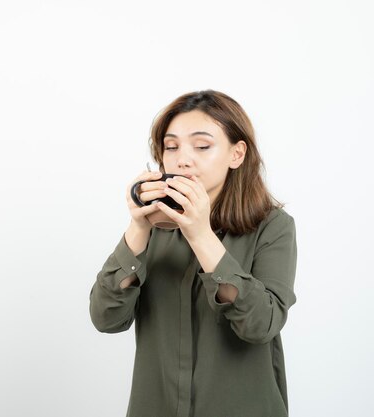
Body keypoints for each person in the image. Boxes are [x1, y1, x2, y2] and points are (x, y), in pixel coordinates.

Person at [88, 89, 298, 417]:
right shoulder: (153, 227)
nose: (182, 159)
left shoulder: (272, 227)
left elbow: (261, 324)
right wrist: (138, 229)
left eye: (202, 146)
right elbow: (106, 319)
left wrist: (200, 234)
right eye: (171, 147)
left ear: (237, 154)